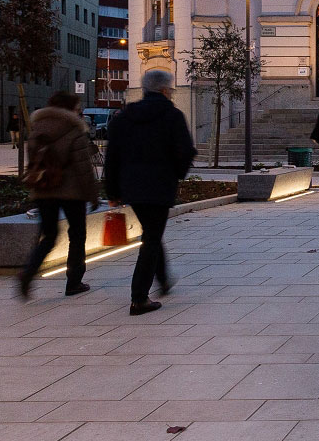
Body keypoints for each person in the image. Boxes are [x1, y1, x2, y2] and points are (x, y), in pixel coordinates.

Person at [103, 69, 195, 315]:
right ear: (165, 90)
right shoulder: (173, 116)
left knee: (152, 233)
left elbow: (112, 157)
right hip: (160, 186)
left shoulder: (123, 117)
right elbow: (185, 151)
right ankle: (139, 298)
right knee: (152, 238)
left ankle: (163, 280)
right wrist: (176, 174)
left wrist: (112, 191)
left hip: (131, 187)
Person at [17, 90, 100, 299]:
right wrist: (93, 194)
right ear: (71, 108)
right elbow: (83, 167)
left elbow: (34, 160)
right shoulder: (74, 129)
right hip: (72, 192)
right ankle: (74, 282)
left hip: (43, 190)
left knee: (48, 235)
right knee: (77, 235)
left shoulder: (37, 128)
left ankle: (28, 273)